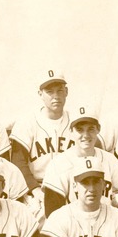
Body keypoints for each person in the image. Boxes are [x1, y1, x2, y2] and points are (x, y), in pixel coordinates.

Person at [41, 106, 118, 217]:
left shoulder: (109, 160)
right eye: (80, 130)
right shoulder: (58, 165)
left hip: (106, 227)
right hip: (73, 228)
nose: (86, 135)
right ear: (71, 131)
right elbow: (53, 215)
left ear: (98, 129)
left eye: (91, 129)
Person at [9, 69, 74, 214]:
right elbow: (18, 161)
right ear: (40, 94)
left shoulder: (77, 123)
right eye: (50, 92)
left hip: (72, 187)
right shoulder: (27, 123)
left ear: (66, 92)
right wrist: (35, 190)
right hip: (38, 187)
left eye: (60, 91)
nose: (56, 96)